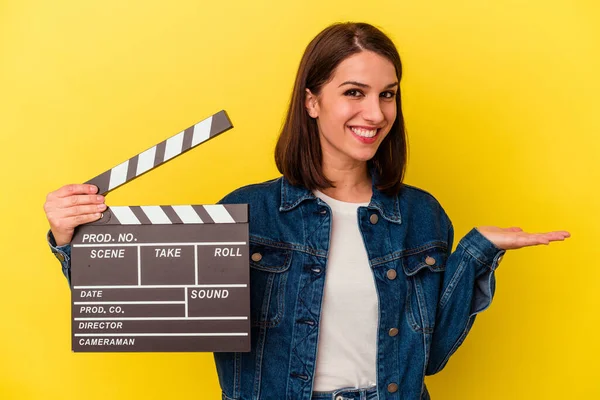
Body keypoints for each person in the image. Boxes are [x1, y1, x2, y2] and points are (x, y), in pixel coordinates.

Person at [43, 22, 570, 400]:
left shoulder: (422, 217)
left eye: (388, 95)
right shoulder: (249, 212)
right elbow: (141, 309)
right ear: (312, 100)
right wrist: (71, 239)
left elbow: (427, 358)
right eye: (354, 93)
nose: (375, 113)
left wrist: (477, 252)